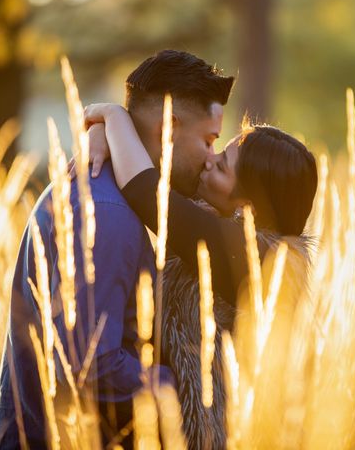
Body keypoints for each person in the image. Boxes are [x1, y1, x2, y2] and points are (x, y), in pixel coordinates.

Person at [0, 50, 234, 449]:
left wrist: (108, 121)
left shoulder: (107, 196)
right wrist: (186, 390)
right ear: (169, 127)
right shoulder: (108, 213)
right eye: (208, 141)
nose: (210, 159)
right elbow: (89, 366)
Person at [84, 103, 318, 448]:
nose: (209, 160)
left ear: (246, 207)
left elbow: (144, 189)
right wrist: (101, 135)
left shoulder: (256, 258)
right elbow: (154, 165)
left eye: (222, 166)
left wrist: (112, 115)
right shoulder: (223, 233)